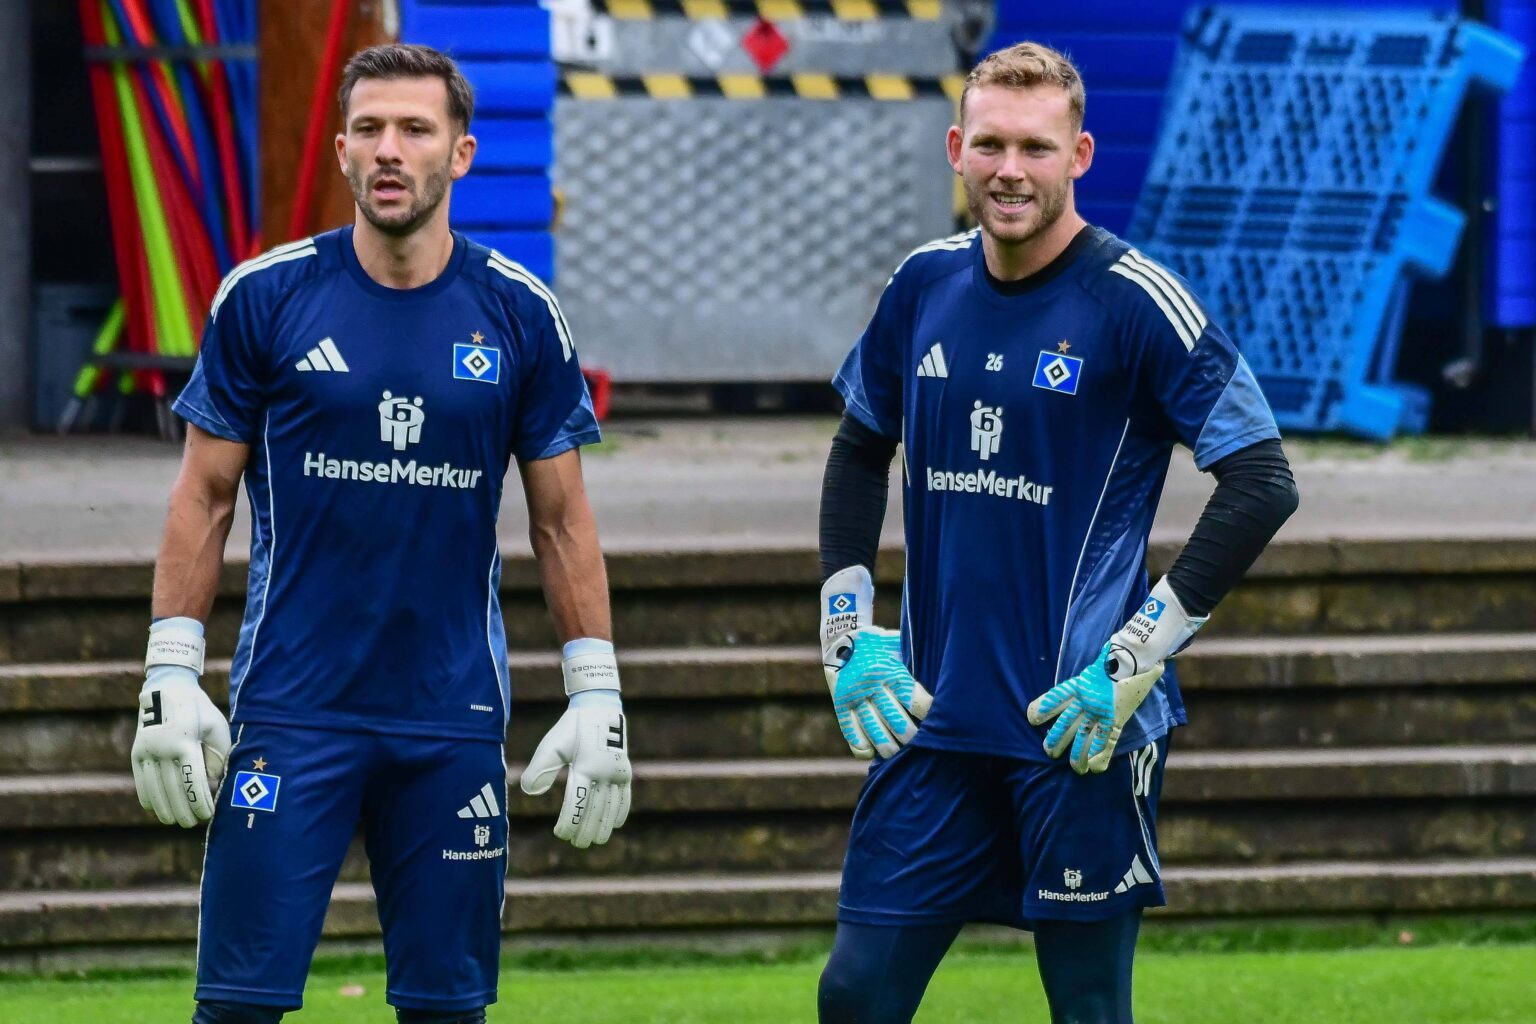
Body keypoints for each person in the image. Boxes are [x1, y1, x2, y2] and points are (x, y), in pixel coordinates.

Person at [128, 44, 631, 1024]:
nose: (390, 150)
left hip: (450, 721)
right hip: (291, 712)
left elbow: (562, 519)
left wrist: (597, 689)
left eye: (415, 129)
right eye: (369, 129)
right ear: (343, 149)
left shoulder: (520, 313)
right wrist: (168, 668)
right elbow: (203, 496)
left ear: (464, 153)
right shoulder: (265, 297)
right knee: (235, 1009)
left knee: (447, 1015)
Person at [815, 41, 1299, 1024]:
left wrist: (1135, 659)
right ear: (956, 148)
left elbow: (1261, 480)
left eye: (1035, 148)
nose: (1009, 170)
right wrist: (845, 632)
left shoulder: (1138, 304)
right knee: (855, 994)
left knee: (1086, 1008)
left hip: (1077, 726)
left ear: (1080, 155)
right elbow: (861, 447)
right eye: (989, 143)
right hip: (929, 723)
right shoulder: (922, 286)